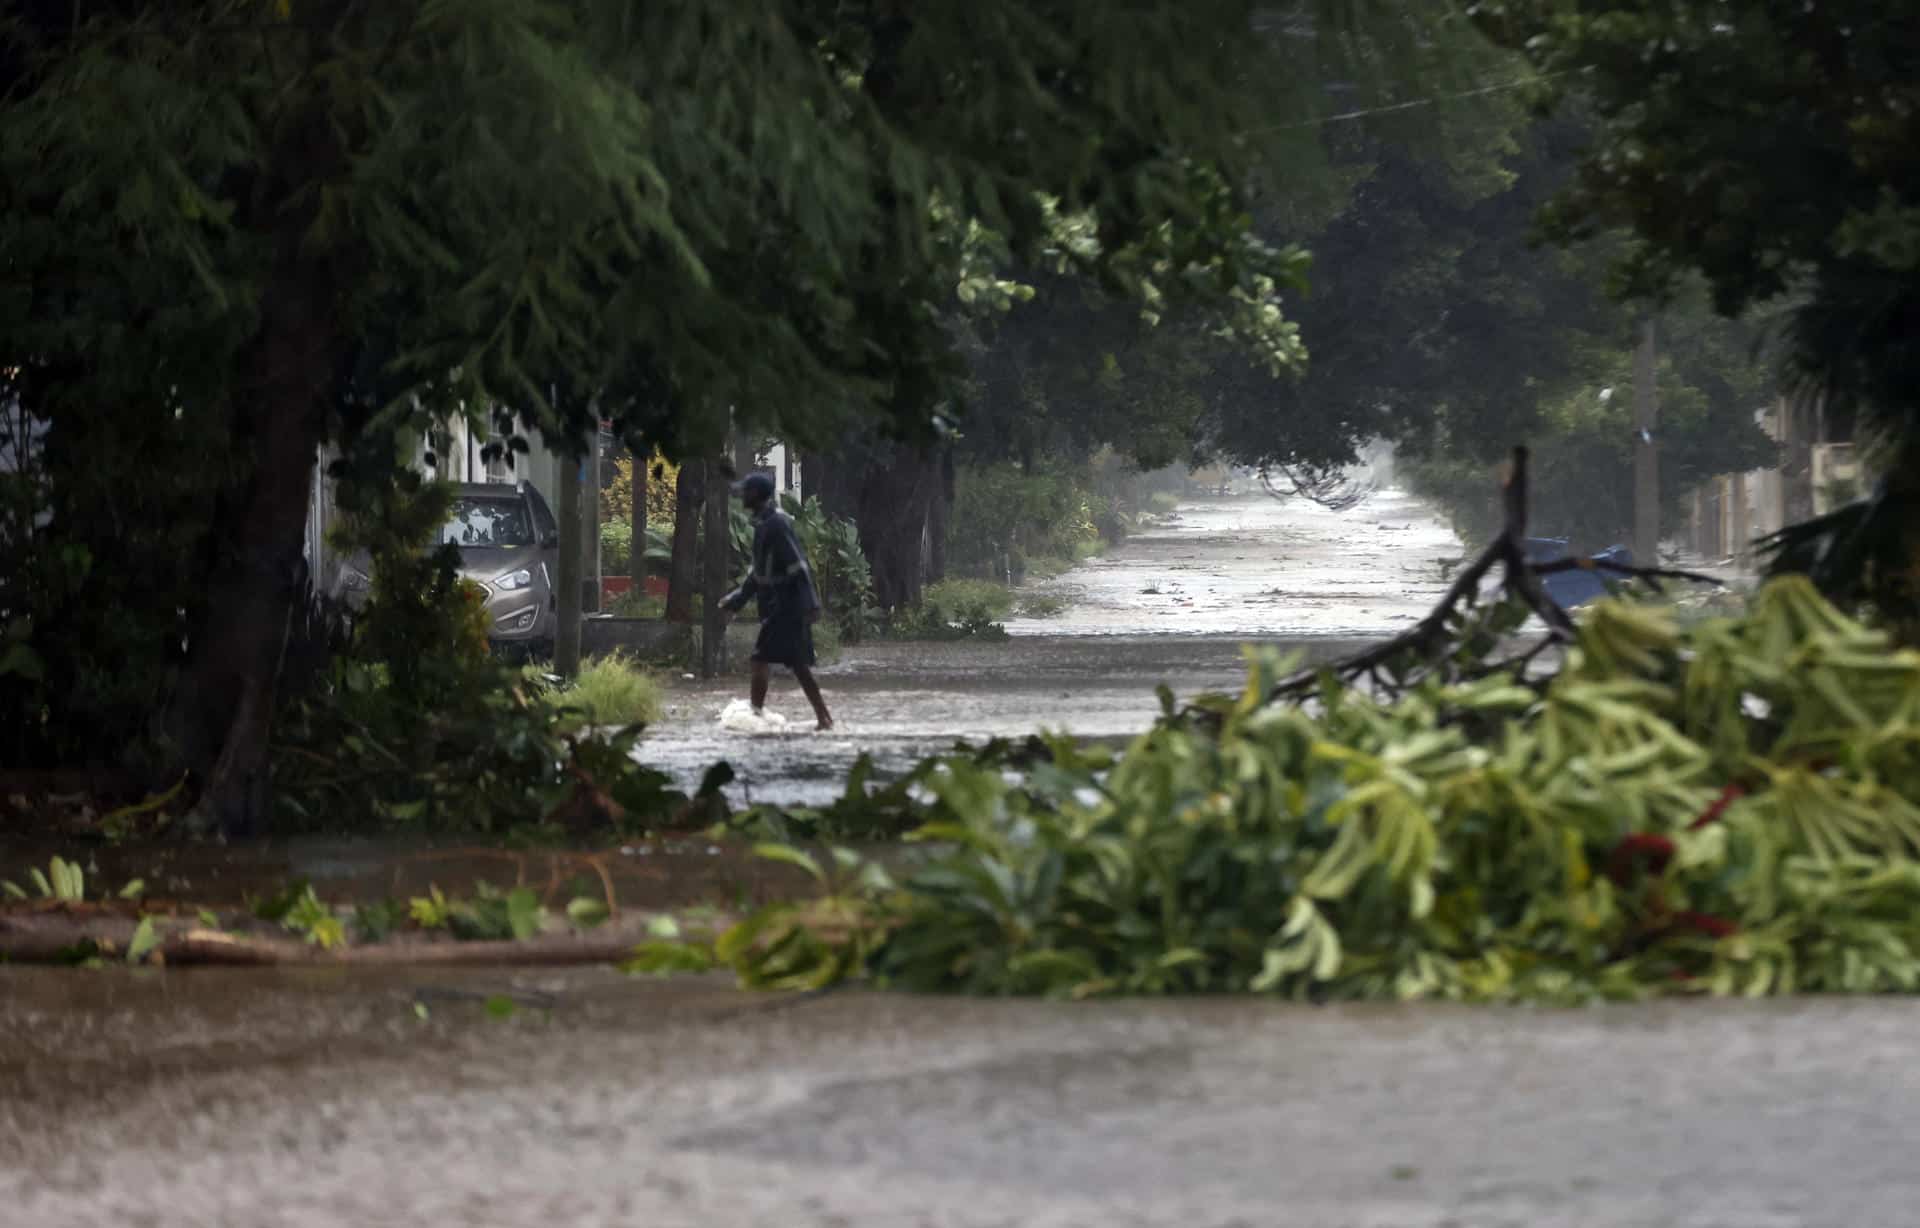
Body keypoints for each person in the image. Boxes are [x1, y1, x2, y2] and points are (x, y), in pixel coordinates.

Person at [720, 472, 834, 730]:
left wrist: (810, 604)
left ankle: (756, 715)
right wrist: (736, 599)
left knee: (761, 659)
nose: (742, 497)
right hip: (779, 606)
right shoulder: (764, 524)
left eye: (746, 492)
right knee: (797, 664)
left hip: (788, 606)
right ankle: (823, 718)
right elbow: (758, 574)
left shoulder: (777, 524)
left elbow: (798, 566)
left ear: (756, 495)